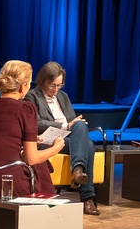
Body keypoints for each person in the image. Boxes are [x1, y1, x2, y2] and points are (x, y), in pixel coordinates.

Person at [0, 60, 64, 200]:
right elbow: (32, 158)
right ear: (23, 86)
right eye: (29, 83)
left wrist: (24, 141)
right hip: (7, 185)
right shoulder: (25, 108)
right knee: (39, 165)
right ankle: (48, 212)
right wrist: (56, 147)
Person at [24, 61, 101, 216]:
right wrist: (66, 126)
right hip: (47, 142)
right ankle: (87, 197)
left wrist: (73, 124)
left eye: (60, 85)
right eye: (53, 85)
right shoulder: (31, 96)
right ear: (43, 81)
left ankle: (78, 171)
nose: (56, 89)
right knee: (89, 145)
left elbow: (73, 124)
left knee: (80, 127)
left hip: (68, 140)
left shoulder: (63, 97)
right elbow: (36, 124)